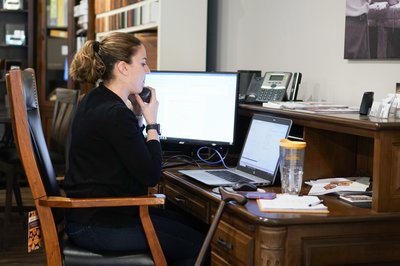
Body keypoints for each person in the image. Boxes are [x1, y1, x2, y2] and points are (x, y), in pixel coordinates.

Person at [64, 32, 205, 265]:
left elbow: (129, 155)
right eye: (143, 63)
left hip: (94, 215)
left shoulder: (96, 100)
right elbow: (150, 174)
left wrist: (138, 118)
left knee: (192, 225)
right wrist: (152, 124)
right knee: (200, 247)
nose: (148, 71)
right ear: (123, 68)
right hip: (98, 224)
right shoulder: (115, 113)